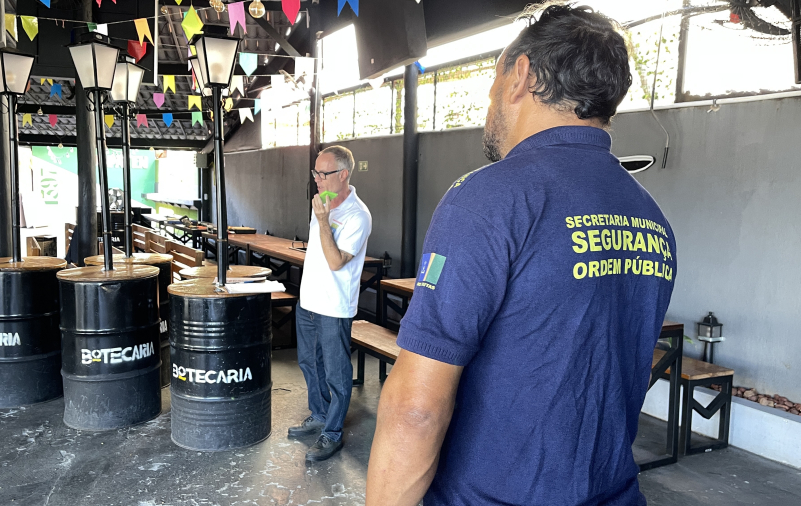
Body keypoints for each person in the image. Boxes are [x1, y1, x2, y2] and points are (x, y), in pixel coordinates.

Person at [366, 4, 677, 505]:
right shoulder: (651, 217)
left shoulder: (487, 199)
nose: (490, 103)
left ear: (522, 76)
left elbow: (416, 410)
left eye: (493, 83)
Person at [289, 145, 372, 462]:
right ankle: (320, 414)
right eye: (315, 172)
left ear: (344, 174)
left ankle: (332, 433)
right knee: (309, 364)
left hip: (334, 308)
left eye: (323, 173)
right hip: (308, 301)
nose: (317, 179)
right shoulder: (322, 203)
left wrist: (324, 221)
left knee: (336, 374)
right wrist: (322, 216)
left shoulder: (357, 215)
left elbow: (336, 262)